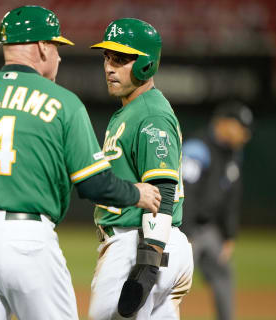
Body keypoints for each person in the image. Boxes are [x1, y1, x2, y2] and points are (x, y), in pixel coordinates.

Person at [0, 6, 163, 320]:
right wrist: (137, 194)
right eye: (57, 47)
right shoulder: (62, 102)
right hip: (27, 239)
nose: (59, 56)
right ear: (40, 47)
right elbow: (94, 184)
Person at [88, 18, 194, 320]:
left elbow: (163, 191)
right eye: (107, 57)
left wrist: (147, 266)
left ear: (145, 64)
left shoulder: (150, 113)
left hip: (139, 244)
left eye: (120, 59)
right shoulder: (133, 109)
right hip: (150, 243)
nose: (109, 67)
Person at [180, 101, 253, 320]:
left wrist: (229, 235)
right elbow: (186, 192)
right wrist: (185, 233)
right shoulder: (197, 148)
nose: (245, 134)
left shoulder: (233, 155)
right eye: (241, 126)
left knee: (224, 274)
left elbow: (232, 197)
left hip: (211, 231)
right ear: (224, 123)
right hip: (186, 230)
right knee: (171, 280)